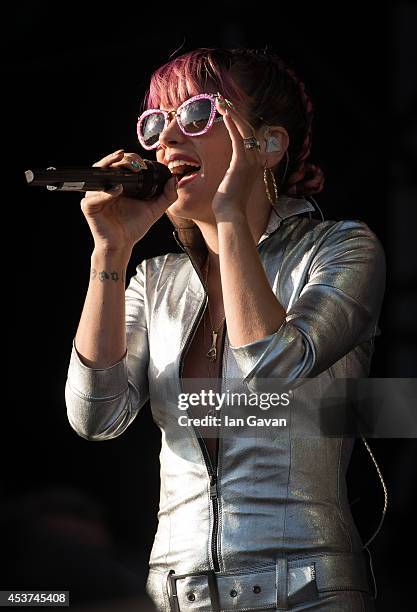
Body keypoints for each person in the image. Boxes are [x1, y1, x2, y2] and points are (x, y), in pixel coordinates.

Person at [65, 48, 386, 611]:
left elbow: (271, 367)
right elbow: (95, 417)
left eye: (195, 115)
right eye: (157, 123)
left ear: (267, 144)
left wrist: (232, 215)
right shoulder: (156, 278)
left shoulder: (340, 249)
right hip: (173, 591)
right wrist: (110, 250)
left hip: (308, 587)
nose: (166, 142)